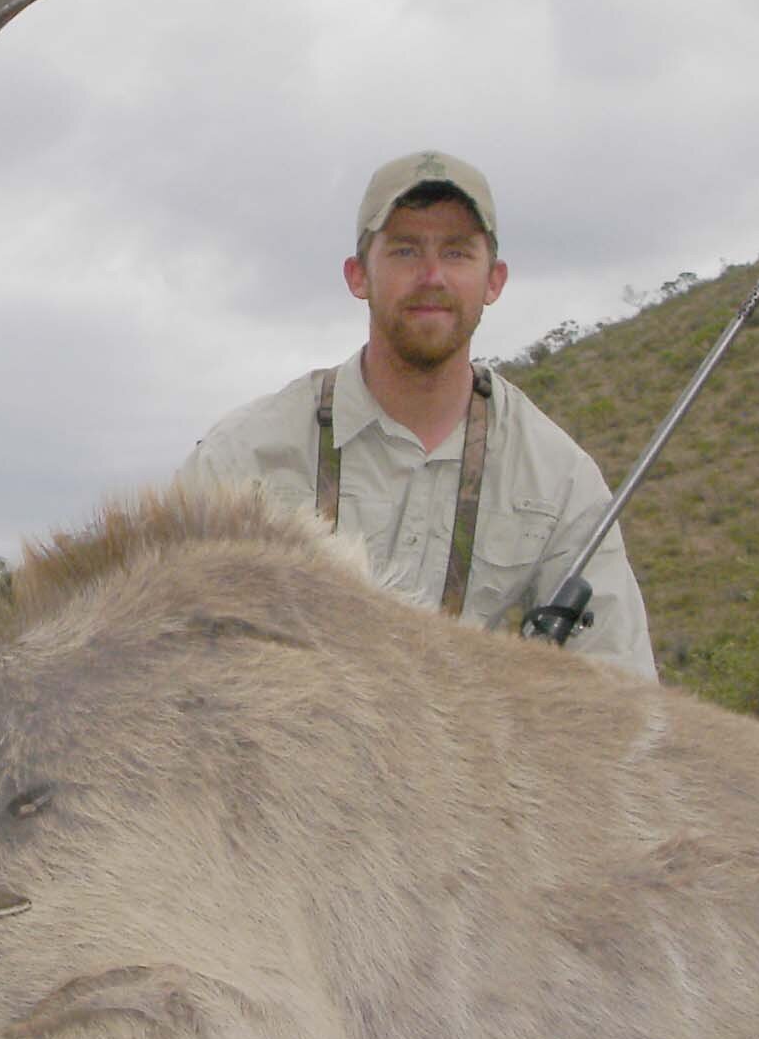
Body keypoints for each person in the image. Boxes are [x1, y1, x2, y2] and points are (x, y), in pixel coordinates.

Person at [175, 151, 656, 680]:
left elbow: (623, 693)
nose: (432, 276)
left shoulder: (561, 479)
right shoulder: (240, 459)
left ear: (494, 281)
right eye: (405, 250)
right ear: (358, 276)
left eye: (457, 252)